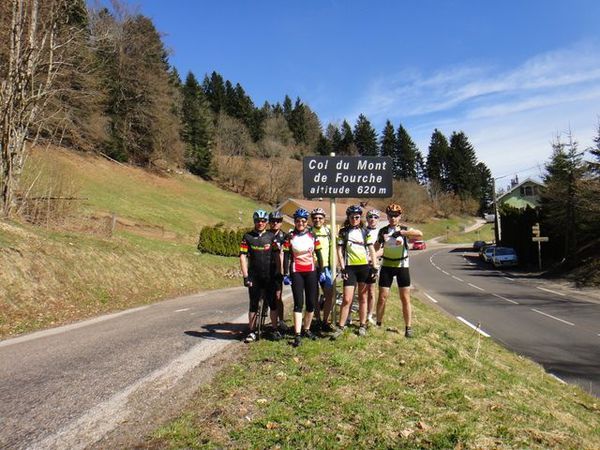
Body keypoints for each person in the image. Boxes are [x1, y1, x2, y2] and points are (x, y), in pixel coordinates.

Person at [375, 203, 423, 338]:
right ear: (387, 216)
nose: (393, 218)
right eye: (390, 216)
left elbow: (419, 234)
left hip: (402, 266)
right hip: (387, 267)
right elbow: (376, 247)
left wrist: (402, 233)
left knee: (405, 298)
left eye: (396, 216)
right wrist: (370, 256)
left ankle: (408, 327)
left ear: (400, 216)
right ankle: (378, 323)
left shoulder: (404, 229)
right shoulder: (383, 231)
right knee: (382, 297)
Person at [331, 205, 379, 339]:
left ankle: (362, 325)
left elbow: (372, 250)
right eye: (351, 217)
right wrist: (342, 267)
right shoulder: (343, 232)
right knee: (347, 299)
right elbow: (339, 251)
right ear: (348, 218)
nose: (354, 219)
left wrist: (374, 267)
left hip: (364, 267)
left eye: (357, 217)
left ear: (360, 218)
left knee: (363, 298)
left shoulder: (365, 232)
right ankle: (341, 327)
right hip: (350, 268)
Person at [282, 208, 324, 347]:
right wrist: (286, 274)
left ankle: (307, 329)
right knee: (299, 303)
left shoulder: (313, 236)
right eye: (298, 221)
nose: (300, 223)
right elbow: (287, 256)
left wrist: (322, 271)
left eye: (303, 221)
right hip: (297, 272)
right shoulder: (290, 237)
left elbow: (319, 254)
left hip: (311, 271)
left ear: (307, 222)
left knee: (311, 303)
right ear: (294, 222)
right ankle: (297, 334)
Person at [239, 209, 280, 343]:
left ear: (266, 222)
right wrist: (245, 276)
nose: (260, 223)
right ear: (254, 222)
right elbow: (243, 256)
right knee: (253, 304)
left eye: (263, 221)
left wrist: (279, 272)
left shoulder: (271, 236)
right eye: (258, 221)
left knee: (273, 304)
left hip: (269, 276)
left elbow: (277, 256)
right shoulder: (247, 237)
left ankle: (274, 329)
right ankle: (251, 332)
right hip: (254, 276)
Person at [309, 207, 335, 332]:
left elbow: (333, 249)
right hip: (312, 268)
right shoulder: (308, 232)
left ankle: (325, 321)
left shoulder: (329, 232)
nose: (317, 220)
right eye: (315, 218)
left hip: (326, 268)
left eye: (320, 218)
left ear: (324, 219)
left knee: (329, 294)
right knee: (313, 295)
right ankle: (317, 320)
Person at [268, 210, 288, 332]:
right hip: (264, 268)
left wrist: (284, 272)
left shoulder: (284, 236)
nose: (275, 223)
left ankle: (281, 320)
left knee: (278, 297)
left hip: (277, 270)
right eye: (273, 221)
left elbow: (285, 255)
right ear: (269, 222)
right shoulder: (265, 234)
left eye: (278, 221)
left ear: (281, 222)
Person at [365, 209, 381, 325]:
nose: (372, 219)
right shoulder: (362, 231)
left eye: (375, 217)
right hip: (360, 263)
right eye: (370, 217)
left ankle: (369, 315)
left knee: (371, 291)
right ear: (367, 219)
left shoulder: (380, 233)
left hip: (373, 264)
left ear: (378, 219)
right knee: (360, 291)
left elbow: (383, 250)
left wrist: (371, 257)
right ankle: (351, 315)